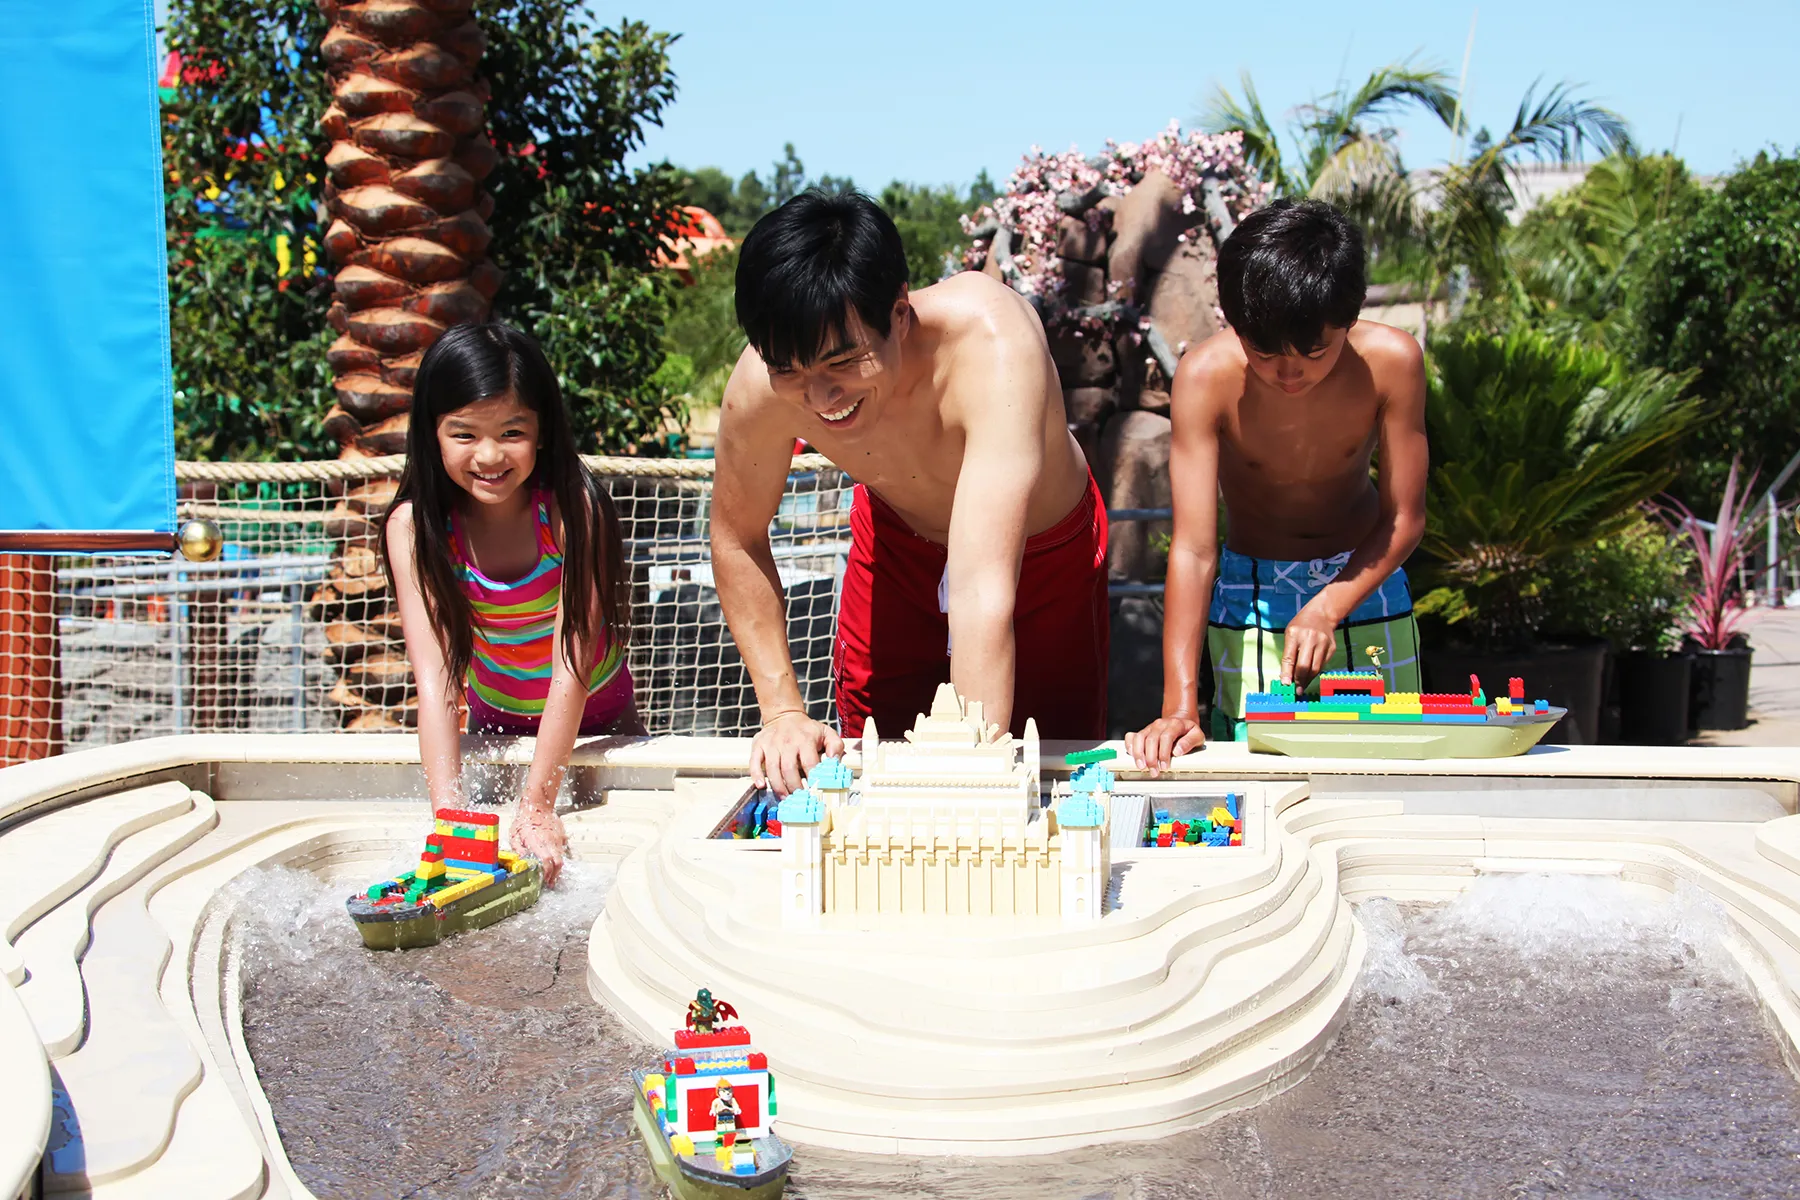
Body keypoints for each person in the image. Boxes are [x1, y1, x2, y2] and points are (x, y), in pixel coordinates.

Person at [711, 189, 1108, 795]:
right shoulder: (759, 387)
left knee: (1041, 762)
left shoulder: (992, 343)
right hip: (898, 545)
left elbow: (981, 587)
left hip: (1041, 554)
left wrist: (970, 786)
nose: (821, 399)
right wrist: (783, 711)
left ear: (899, 315)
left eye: (843, 362)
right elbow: (737, 535)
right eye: (789, 371)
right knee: (873, 758)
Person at [1126, 199, 1429, 771]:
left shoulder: (1392, 361)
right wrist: (1179, 705)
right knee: (1257, 775)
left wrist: (1328, 605)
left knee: (1390, 769)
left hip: (1365, 580)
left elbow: (1404, 519)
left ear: (1351, 314)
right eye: (1263, 353)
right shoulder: (1205, 377)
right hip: (1251, 595)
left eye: (1314, 352)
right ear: (1233, 323)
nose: (1289, 373)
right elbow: (1192, 549)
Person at [381, 322, 642, 884]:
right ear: (431, 434)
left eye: (512, 431)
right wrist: (448, 818)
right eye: (464, 434)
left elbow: (571, 667)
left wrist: (538, 806)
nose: (490, 455)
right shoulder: (414, 529)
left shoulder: (573, 509)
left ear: (543, 430)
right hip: (494, 715)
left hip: (598, 711)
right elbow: (435, 681)